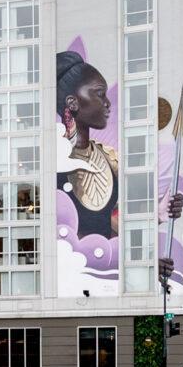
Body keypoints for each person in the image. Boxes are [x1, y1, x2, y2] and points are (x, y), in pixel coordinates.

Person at [55, 50, 118, 240]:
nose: (108, 103)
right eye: (100, 94)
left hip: (108, 267)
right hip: (68, 266)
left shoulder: (110, 158)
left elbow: (117, 224)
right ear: (72, 103)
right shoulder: (52, 161)